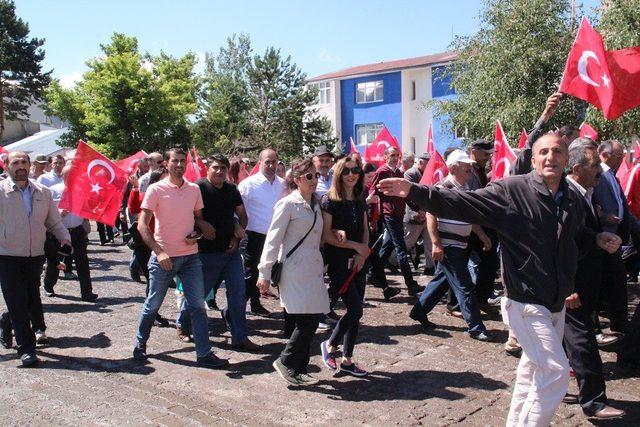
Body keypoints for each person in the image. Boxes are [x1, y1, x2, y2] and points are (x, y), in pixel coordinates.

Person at [377, 133, 622, 426]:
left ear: (566, 160)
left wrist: (597, 238)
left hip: (556, 303)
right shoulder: (513, 191)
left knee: (531, 372)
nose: (550, 157)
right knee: (555, 373)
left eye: (557, 151)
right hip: (525, 301)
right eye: (543, 151)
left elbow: (573, 237)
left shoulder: (570, 198)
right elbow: (460, 202)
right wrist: (414, 191)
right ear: (533, 159)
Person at [132, 147, 228, 369]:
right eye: (175, 161)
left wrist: (198, 231)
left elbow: (197, 219)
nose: (179, 165)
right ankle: (140, 343)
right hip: (164, 258)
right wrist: (159, 251)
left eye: (182, 161)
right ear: (166, 163)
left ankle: (204, 354)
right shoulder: (155, 189)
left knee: (197, 306)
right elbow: (142, 225)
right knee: (152, 305)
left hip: (191, 258)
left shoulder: (194, 189)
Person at [564, 138, 626, 420]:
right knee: (583, 343)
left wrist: (599, 236)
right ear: (577, 169)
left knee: (556, 345)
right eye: (594, 167)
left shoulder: (584, 193)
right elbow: (562, 243)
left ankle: (550, 386)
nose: (601, 172)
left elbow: (580, 234)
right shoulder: (567, 195)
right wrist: (570, 287)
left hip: (586, 281)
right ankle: (594, 402)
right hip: (573, 286)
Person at [257, 159, 329, 386]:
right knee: (305, 322)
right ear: (296, 180)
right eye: (309, 176)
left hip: (313, 269)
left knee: (311, 320)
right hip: (294, 270)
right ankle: (286, 362)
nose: (314, 180)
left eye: (316, 175)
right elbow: (272, 239)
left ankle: (300, 368)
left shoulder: (316, 204)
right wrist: (264, 272)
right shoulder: (288, 204)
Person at [409, 150, 494, 342]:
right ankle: (475, 326)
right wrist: (437, 244)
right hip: (448, 246)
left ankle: (418, 311)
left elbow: (470, 218)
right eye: (466, 167)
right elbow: (431, 216)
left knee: (442, 281)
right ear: (454, 168)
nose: (470, 171)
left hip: (460, 244)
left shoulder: (464, 190)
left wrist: (481, 235)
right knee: (465, 286)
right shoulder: (442, 188)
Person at [177, 153, 259, 352]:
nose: (219, 171)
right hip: (205, 253)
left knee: (238, 295)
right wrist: (201, 223)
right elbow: (185, 215)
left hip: (231, 252)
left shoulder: (232, 189)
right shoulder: (198, 188)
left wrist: (237, 235)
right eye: (215, 167)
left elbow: (242, 216)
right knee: (199, 295)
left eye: (223, 168)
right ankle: (183, 324)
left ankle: (239, 337)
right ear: (207, 168)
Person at [0, 151, 71, 367]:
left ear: (30, 166)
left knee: (30, 299)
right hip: (7, 256)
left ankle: (6, 320)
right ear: (6, 166)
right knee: (18, 302)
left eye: (24, 162)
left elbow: (54, 221)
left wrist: (65, 238)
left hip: (35, 256)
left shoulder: (43, 192)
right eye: (15, 162)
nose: (20, 166)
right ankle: (27, 349)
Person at [319, 155, 370, 377]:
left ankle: (347, 360)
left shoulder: (360, 198)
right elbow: (326, 236)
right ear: (339, 174)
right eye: (347, 171)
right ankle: (330, 344)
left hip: (359, 262)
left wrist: (363, 253)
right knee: (355, 308)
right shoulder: (329, 201)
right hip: (339, 263)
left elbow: (366, 229)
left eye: (355, 171)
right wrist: (355, 246)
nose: (352, 175)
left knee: (355, 313)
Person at [593, 140, 639, 337]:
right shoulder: (596, 176)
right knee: (599, 284)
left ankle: (620, 324)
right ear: (604, 155)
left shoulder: (612, 176)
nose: (622, 159)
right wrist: (603, 217)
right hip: (601, 238)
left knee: (616, 282)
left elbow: (623, 206)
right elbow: (589, 206)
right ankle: (602, 326)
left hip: (615, 239)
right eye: (618, 156)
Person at [369, 146, 424, 296]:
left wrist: (415, 207)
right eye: (392, 155)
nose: (395, 158)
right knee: (401, 249)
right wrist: (372, 216)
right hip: (389, 214)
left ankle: (374, 274)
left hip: (398, 214)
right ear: (385, 156)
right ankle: (410, 284)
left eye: (397, 155)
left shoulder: (399, 173)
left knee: (387, 248)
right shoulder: (381, 172)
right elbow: (373, 192)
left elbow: (405, 194)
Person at [238, 148, 285, 316]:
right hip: (253, 237)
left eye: (274, 161)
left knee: (273, 275)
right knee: (251, 276)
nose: (271, 165)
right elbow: (237, 212)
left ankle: (256, 304)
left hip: (277, 237)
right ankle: (233, 310)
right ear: (260, 162)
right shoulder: (248, 184)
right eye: (267, 161)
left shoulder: (283, 184)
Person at [43, 166, 98, 302]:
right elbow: (47, 212)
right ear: (62, 176)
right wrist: (59, 213)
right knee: (54, 262)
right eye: (69, 175)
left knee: (82, 262)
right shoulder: (53, 190)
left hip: (77, 230)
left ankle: (87, 292)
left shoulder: (81, 190)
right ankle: (48, 286)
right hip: (59, 231)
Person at [127, 168, 170, 327]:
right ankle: (152, 314)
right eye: (163, 180)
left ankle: (152, 312)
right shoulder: (147, 196)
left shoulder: (171, 198)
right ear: (154, 182)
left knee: (157, 282)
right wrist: (136, 187)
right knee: (152, 282)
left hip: (163, 244)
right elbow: (133, 208)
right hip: (145, 246)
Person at [403, 152, 434, 275]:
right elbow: (409, 194)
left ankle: (430, 266)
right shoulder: (410, 173)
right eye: (428, 164)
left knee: (429, 241)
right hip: (414, 213)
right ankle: (391, 260)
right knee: (408, 241)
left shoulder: (427, 173)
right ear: (421, 162)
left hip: (427, 212)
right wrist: (418, 210)